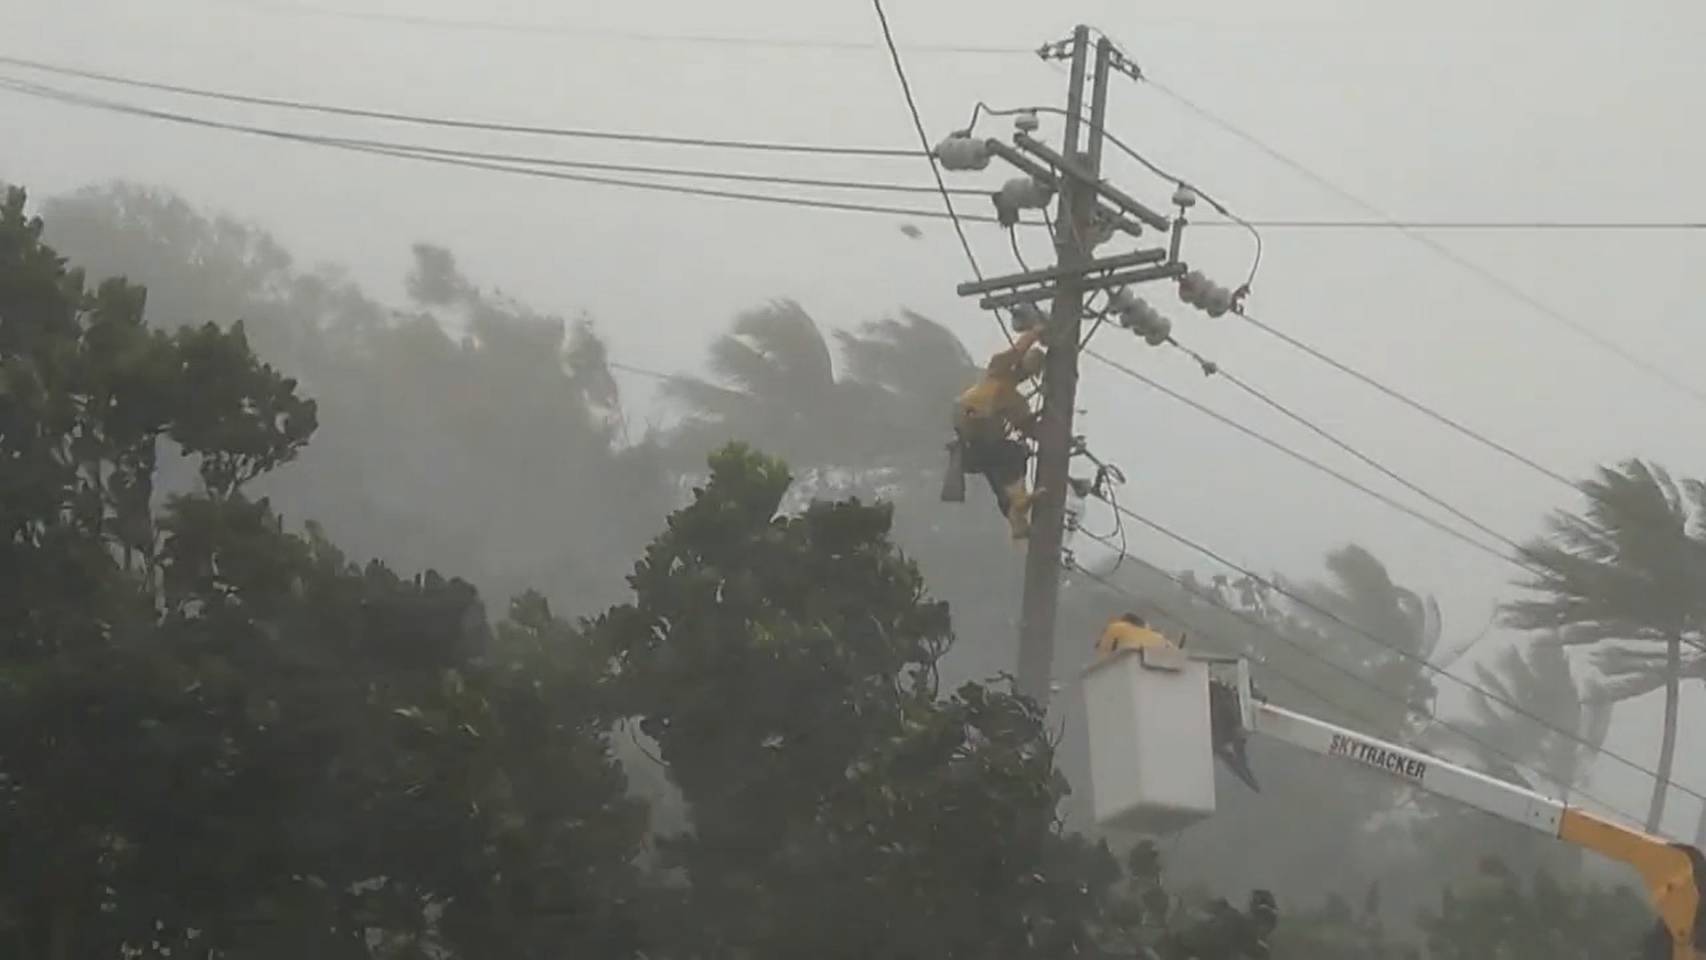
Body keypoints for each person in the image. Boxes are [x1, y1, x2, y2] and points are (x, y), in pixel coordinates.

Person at [951, 325, 1047, 539]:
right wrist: (1035, 332)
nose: (1026, 373)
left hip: (975, 449)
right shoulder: (998, 369)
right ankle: (1017, 505)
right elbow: (1017, 351)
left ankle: (1016, 518)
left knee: (1000, 469)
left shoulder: (1014, 400)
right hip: (971, 435)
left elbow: (1030, 429)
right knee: (1013, 454)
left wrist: (1054, 433)